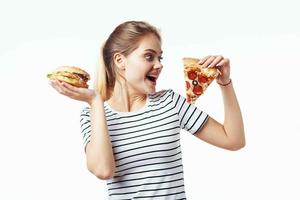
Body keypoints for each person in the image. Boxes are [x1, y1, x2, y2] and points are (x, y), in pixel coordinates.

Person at [50, 20, 245, 199]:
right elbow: (103, 170)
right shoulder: (93, 114)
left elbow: (234, 140)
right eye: (149, 56)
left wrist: (225, 82)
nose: (159, 65)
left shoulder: (170, 103)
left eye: (160, 57)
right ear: (120, 61)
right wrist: (95, 102)